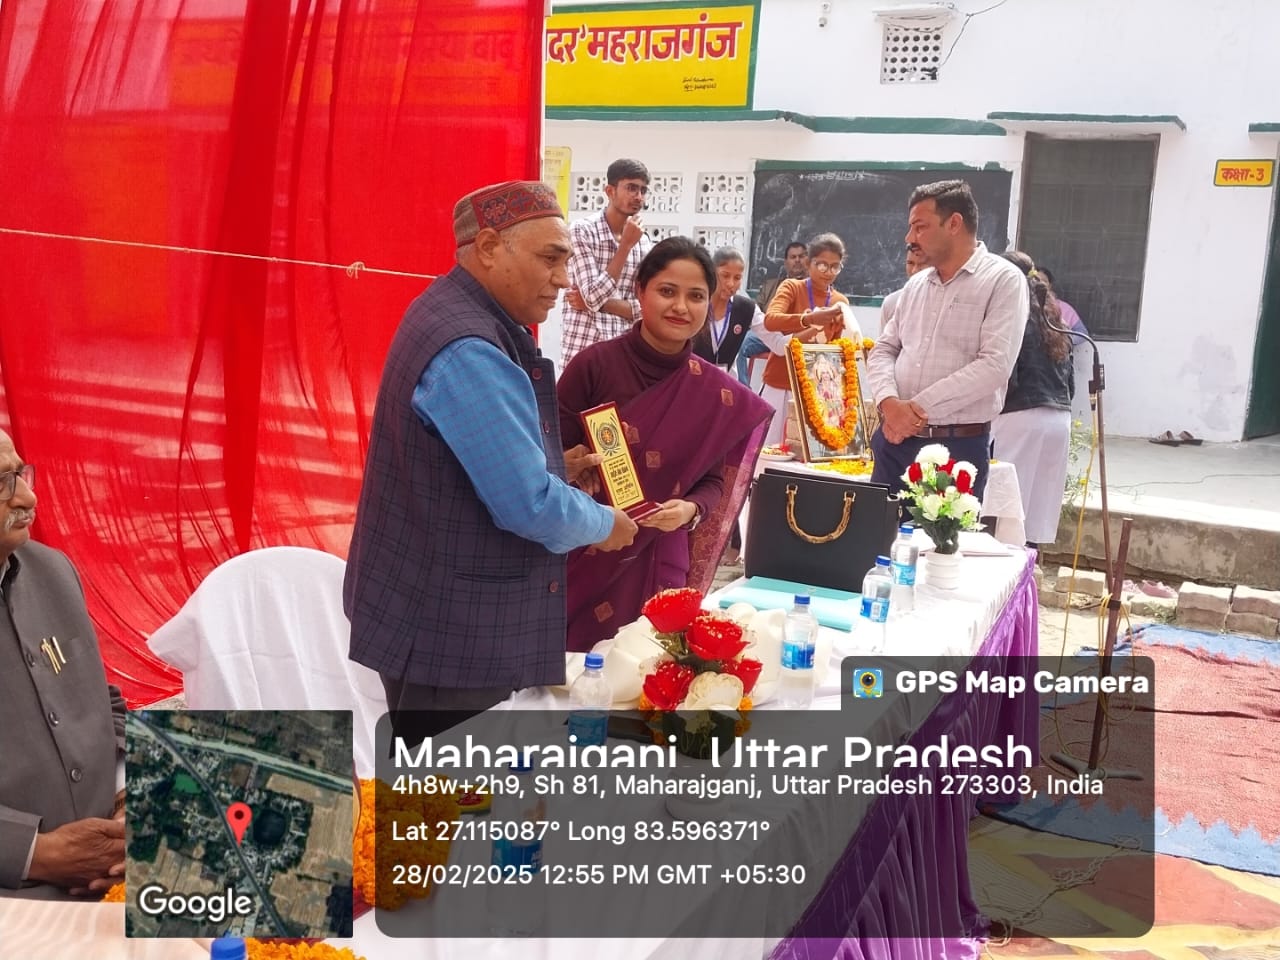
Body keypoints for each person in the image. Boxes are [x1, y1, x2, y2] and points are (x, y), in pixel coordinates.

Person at [344, 181, 638, 739]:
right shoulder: (469, 346)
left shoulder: (447, 308)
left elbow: (467, 459)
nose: (564, 279)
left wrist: (557, 465)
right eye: (550, 259)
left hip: (430, 607)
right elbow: (530, 504)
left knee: (440, 775)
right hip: (452, 632)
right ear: (487, 248)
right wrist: (605, 524)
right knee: (454, 783)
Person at [558, 237, 774, 652]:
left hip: (663, 557)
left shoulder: (714, 391)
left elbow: (713, 482)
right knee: (578, 675)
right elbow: (546, 460)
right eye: (667, 291)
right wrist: (572, 468)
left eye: (696, 296)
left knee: (651, 668)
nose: (681, 307)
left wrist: (690, 510)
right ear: (640, 290)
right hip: (590, 548)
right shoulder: (593, 366)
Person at [0, 431, 126, 899]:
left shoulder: (54, 571)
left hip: (118, 867)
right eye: (1, 484)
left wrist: (127, 795)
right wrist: (37, 853)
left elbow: (104, 703)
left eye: (20, 474)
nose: (27, 497)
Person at [866, 180, 1028, 500]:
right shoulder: (915, 286)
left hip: (956, 448)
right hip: (894, 442)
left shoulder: (1003, 280)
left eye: (920, 227)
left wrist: (914, 411)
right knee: (875, 530)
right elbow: (884, 349)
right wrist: (888, 403)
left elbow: (994, 366)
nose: (910, 238)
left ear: (954, 223)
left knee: (939, 534)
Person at [991, 252, 1075, 547]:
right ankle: (1029, 570)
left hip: (1019, 418)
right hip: (1059, 420)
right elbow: (1071, 382)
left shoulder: (1013, 318)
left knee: (1005, 512)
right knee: (1035, 513)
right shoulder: (1054, 321)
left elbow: (1006, 377)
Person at [560, 158, 654, 366]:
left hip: (624, 356)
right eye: (631, 188)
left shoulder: (644, 243)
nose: (639, 197)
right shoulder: (582, 231)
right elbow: (592, 296)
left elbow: (647, 309)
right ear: (610, 191)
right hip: (582, 352)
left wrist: (601, 305)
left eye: (643, 190)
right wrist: (625, 247)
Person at [760, 233, 849, 447]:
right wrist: (808, 320)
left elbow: (836, 349)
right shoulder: (792, 287)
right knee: (771, 450)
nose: (828, 272)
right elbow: (770, 320)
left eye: (835, 267)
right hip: (780, 384)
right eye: (822, 265)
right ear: (809, 263)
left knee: (807, 452)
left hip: (816, 390)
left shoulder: (840, 302)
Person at [737, 241, 808, 385]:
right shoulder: (770, 285)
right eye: (793, 257)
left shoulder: (813, 289)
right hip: (767, 333)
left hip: (795, 337)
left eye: (801, 256)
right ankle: (743, 391)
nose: (797, 260)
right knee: (738, 341)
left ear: (808, 260)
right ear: (786, 262)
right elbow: (755, 312)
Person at [691, 246, 758, 370]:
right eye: (725, 276)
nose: (731, 284)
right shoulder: (694, 303)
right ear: (712, 273)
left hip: (725, 379)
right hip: (690, 378)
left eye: (737, 278)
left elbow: (776, 341)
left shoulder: (746, 308)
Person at [878, 246, 926, 327]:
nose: (914, 270)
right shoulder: (892, 303)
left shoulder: (944, 303)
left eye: (922, 264)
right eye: (910, 263)